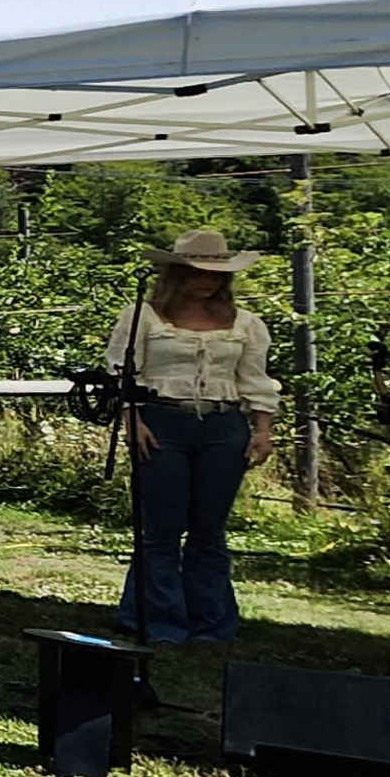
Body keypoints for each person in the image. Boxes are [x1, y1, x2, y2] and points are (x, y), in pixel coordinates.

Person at [107, 231, 281, 645]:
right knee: (161, 527)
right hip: (162, 419)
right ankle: (159, 622)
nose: (206, 281)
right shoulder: (141, 317)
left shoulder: (245, 324)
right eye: (197, 272)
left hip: (223, 425)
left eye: (215, 274)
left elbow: (254, 380)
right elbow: (121, 371)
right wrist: (132, 420)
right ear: (176, 273)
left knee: (209, 527)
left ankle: (211, 624)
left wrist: (262, 430)